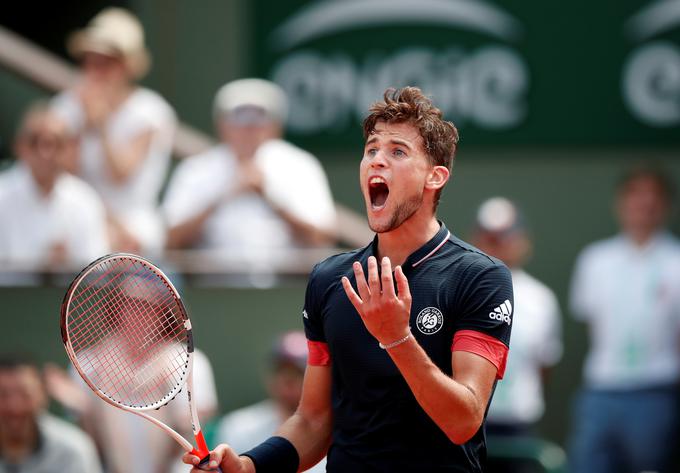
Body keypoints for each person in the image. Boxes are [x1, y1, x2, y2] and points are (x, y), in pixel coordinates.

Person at [183, 86, 514, 473]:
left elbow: (463, 421)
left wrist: (396, 337)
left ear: (435, 176)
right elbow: (313, 420)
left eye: (397, 152)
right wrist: (249, 465)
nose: (377, 161)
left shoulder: (481, 277)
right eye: (371, 149)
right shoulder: (328, 279)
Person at [161, 78, 337, 277]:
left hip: (287, 287)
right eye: (239, 118)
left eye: (259, 119)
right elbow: (171, 240)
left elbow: (322, 237)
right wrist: (222, 196)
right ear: (221, 125)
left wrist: (268, 195)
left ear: (276, 126)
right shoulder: (196, 169)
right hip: (213, 287)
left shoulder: (301, 165)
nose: (249, 129)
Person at [568, 166, 680, 473]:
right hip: (600, 391)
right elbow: (593, 323)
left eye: (653, 197)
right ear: (621, 203)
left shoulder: (676, 260)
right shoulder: (595, 260)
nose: (644, 204)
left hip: (657, 392)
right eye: (635, 195)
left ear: (666, 205)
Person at [51, 7, 177, 256]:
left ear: (125, 66)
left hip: (133, 227)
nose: (95, 71)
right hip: (75, 218)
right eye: (90, 61)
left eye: (106, 63)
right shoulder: (66, 105)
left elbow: (121, 173)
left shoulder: (151, 111)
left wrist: (102, 126)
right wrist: (81, 127)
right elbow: (62, 171)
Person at [469, 197, 563, 472]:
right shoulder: (458, 292)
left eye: (505, 237)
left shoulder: (542, 299)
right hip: (468, 424)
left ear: (523, 241)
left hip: (518, 426)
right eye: (489, 237)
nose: (497, 244)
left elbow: (545, 365)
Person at [46, 346, 218, 473]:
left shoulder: (185, 360)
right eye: (128, 305)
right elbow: (91, 443)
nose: (137, 316)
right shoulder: (88, 364)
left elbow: (193, 422)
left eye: (151, 307)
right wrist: (87, 412)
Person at [0, 102, 109, 280]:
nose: (45, 152)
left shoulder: (85, 201)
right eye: (36, 141)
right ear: (21, 146)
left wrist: (68, 266)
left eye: (56, 143)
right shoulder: (1, 195)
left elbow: (98, 274)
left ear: (68, 149)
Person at [215, 331, 326, 472]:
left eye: (297, 373)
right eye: (281, 371)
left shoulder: (335, 433)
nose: (287, 381)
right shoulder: (238, 426)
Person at [0, 354, 103, 473]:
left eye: (25, 394)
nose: (15, 407)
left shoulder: (74, 449)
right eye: (3, 395)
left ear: (42, 396)